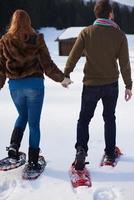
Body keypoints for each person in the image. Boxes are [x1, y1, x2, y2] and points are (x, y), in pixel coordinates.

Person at [62, 0, 132, 170]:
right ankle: (109, 152)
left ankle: (81, 151)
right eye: (113, 12)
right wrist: (128, 85)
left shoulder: (86, 32)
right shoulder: (120, 35)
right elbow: (124, 63)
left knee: (84, 119)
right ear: (109, 14)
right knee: (109, 118)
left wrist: (66, 74)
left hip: (91, 85)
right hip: (111, 85)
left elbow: (74, 55)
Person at [0, 9, 70, 171]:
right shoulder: (37, 39)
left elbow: (1, 68)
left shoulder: (5, 40)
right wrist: (63, 79)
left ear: (13, 22)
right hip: (35, 85)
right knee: (34, 123)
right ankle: (32, 161)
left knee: (22, 115)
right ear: (28, 22)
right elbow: (48, 64)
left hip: (15, 87)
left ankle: (13, 147)